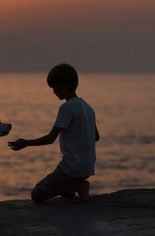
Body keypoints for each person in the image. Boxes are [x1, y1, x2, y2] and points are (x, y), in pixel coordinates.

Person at [8, 63, 100, 203]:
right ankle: (73, 187)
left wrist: (25, 143)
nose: (53, 92)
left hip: (71, 168)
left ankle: (79, 186)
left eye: (54, 88)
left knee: (37, 194)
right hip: (87, 167)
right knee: (64, 192)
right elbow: (96, 137)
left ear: (62, 86)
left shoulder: (67, 108)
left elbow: (51, 138)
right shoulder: (87, 107)